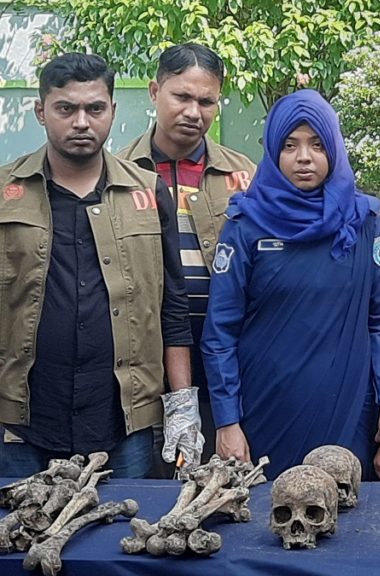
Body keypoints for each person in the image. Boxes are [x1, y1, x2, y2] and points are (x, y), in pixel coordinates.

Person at [0, 53, 199, 478]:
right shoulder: (5, 193)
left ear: (112, 110)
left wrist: (183, 404)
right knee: (20, 521)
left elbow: (172, 309)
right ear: (41, 111)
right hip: (22, 422)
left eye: (94, 108)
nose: (81, 122)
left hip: (123, 421)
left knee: (124, 520)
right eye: (65, 109)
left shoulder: (148, 193)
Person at [201, 89, 380, 480]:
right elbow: (220, 334)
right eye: (290, 145)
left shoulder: (364, 222)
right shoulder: (245, 226)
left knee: (346, 507)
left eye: (317, 144)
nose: (304, 157)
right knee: (271, 511)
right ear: (272, 150)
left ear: (334, 148)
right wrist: (227, 422)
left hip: (349, 412)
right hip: (264, 414)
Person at [119, 43, 256, 475]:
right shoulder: (120, 174)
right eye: (181, 97)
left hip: (230, 351)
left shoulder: (244, 176)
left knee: (227, 467)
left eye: (206, 101)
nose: (193, 112)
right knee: (160, 470)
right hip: (147, 353)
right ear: (154, 91)